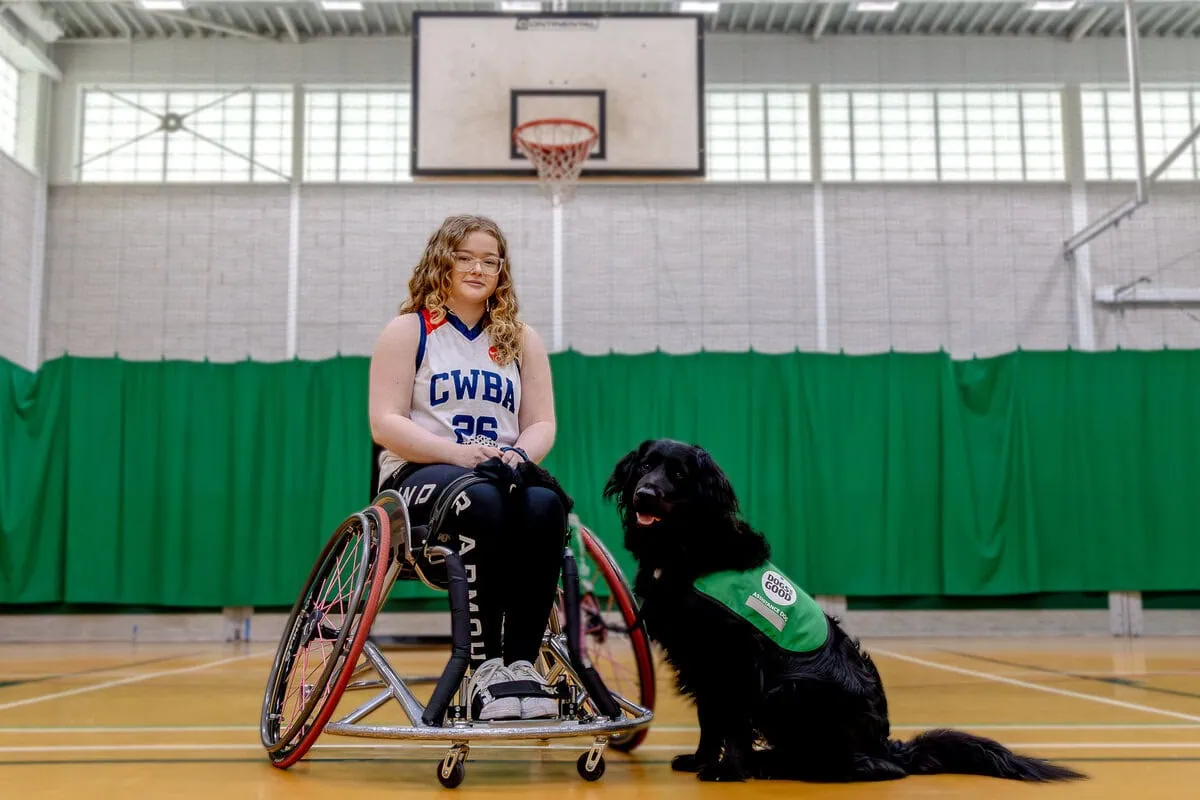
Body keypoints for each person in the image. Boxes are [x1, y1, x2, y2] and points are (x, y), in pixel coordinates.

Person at [368, 213, 565, 722]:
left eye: (490, 260)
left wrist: (520, 454)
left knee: (545, 505)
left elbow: (541, 422)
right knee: (478, 499)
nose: (478, 268)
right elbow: (385, 424)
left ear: (502, 272)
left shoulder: (520, 338)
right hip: (420, 476)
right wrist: (456, 452)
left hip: (500, 472)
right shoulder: (408, 330)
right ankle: (482, 665)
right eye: (465, 258)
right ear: (443, 261)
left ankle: (521, 663)